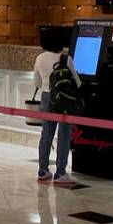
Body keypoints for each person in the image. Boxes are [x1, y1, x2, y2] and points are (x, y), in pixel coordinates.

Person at [33, 43, 82, 185]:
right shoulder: (66, 59)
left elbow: (36, 82)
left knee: (46, 134)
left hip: (46, 97)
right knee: (64, 135)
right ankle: (60, 173)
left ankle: (43, 170)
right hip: (64, 100)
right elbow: (77, 83)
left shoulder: (40, 58)